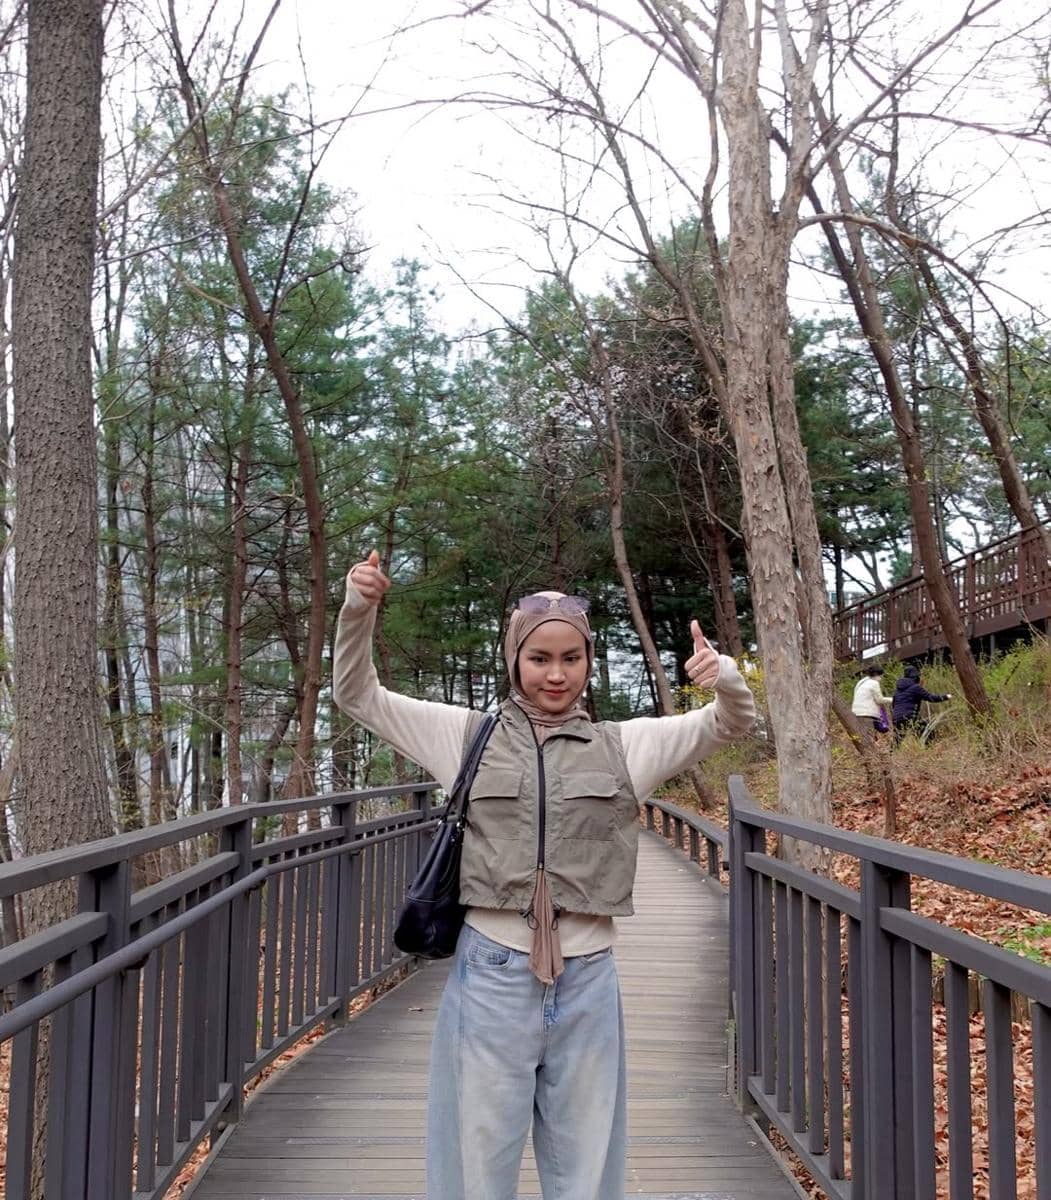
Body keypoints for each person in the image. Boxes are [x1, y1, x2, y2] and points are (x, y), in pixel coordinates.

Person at [333, 550, 757, 1200]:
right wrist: (358, 610)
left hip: (588, 979)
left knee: (586, 1173)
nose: (555, 675)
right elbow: (356, 694)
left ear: (588, 662)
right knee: (475, 1169)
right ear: (514, 660)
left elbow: (731, 723)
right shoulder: (465, 735)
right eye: (539, 659)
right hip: (490, 974)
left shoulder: (624, 746)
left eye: (570, 658)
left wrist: (723, 675)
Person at [891, 663, 951, 741]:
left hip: (896, 718)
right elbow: (931, 698)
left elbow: (894, 704)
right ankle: (929, 749)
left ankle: (893, 753)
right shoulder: (916, 687)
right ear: (916, 676)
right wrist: (946, 697)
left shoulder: (897, 691)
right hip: (910, 717)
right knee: (927, 734)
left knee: (898, 740)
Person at [851, 665, 893, 736]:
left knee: (861, 735)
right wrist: (892, 699)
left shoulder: (861, 682)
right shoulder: (874, 683)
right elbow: (879, 700)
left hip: (856, 712)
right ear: (876, 674)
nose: (881, 679)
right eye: (880, 676)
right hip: (867, 713)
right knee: (868, 735)